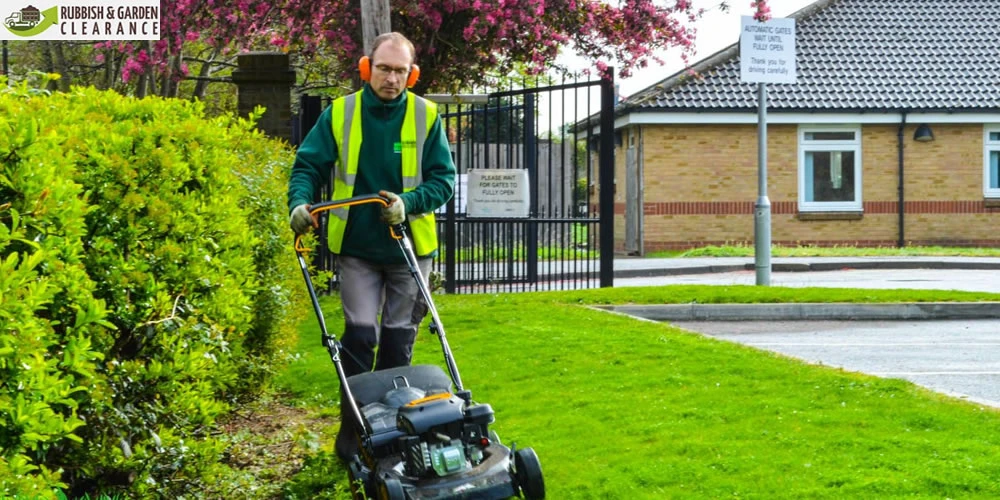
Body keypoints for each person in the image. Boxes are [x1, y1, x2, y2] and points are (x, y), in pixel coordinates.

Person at [286, 32, 456, 461]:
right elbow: (308, 165)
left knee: (399, 346)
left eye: (401, 71)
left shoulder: (426, 116)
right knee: (360, 337)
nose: (392, 78)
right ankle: (353, 434)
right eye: (384, 68)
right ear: (367, 69)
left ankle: (395, 439)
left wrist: (409, 203)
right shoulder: (340, 114)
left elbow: (443, 181)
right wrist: (299, 203)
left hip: (410, 249)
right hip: (358, 248)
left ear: (411, 75)